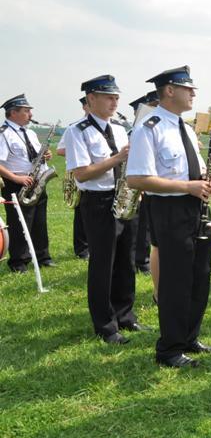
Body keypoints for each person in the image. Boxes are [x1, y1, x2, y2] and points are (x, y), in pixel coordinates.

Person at [127, 65, 211, 369]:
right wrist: (187, 186)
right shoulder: (149, 127)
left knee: (199, 276)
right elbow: (138, 178)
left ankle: (189, 337)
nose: (194, 93)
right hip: (169, 210)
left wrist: (208, 179)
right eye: (188, 88)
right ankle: (169, 348)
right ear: (169, 90)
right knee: (176, 281)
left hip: (196, 207)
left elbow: (193, 169)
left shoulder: (187, 129)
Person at [64, 74, 148, 344]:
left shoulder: (121, 128)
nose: (115, 101)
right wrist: (116, 158)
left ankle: (126, 315)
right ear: (91, 98)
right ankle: (105, 325)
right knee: (103, 265)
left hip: (124, 197)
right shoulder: (77, 131)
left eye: (116, 97)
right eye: (109, 97)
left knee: (126, 260)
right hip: (98, 202)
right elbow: (82, 174)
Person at [0, 94, 54, 273]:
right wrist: (16, 178)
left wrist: (46, 156)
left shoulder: (30, 132)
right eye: (26, 111)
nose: (30, 114)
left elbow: (35, 155)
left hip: (36, 181)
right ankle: (19, 261)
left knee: (40, 221)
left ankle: (43, 256)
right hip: (18, 184)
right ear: (13, 113)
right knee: (19, 224)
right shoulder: (4, 134)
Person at [128, 91, 159, 275]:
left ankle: (143, 259)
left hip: (153, 183)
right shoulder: (136, 131)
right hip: (138, 183)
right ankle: (135, 259)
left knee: (146, 226)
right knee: (135, 225)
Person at [57, 96, 90, 260]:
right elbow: (60, 150)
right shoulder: (74, 127)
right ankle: (82, 248)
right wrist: (81, 153)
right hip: (79, 173)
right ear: (85, 107)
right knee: (80, 212)